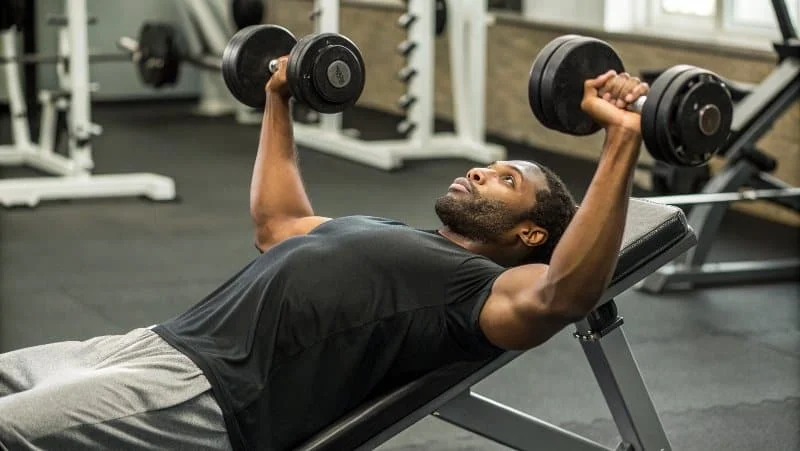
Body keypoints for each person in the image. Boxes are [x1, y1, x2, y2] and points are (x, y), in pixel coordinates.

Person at [0, 55, 649, 451]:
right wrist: (278, 99)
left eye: (507, 179)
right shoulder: (390, 232)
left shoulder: (477, 292)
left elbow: (563, 293)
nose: (481, 170)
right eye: (491, 164)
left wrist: (621, 138)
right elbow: (278, 221)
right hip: (142, 346)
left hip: (202, 394)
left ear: (530, 236)